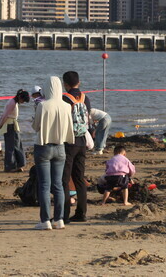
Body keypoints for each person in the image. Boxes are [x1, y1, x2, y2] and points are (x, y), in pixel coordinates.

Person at [32, 76, 73, 230]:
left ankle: (45, 220)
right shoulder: (66, 106)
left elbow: (36, 127)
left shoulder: (43, 105)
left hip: (43, 146)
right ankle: (59, 219)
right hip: (60, 147)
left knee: (44, 185)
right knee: (58, 186)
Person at [61, 71, 92, 224]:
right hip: (82, 141)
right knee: (79, 179)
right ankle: (82, 213)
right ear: (79, 82)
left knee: (65, 180)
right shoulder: (86, 98)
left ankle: (64, 215)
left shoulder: (65, 98)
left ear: (65, 84)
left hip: (69, 142)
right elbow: (89, 118)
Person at [0, 90, 29, 172]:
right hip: (10, 126)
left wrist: (0, 124)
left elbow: (4, 114)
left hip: (11, 125)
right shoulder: (12, 103)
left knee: (14, 146)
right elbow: (5, 115)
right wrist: (0, 125)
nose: (23, 102)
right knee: (13, 146)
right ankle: (12, 166)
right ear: (19, 97)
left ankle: (16, 165)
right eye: (23, 100)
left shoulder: (13, 102)